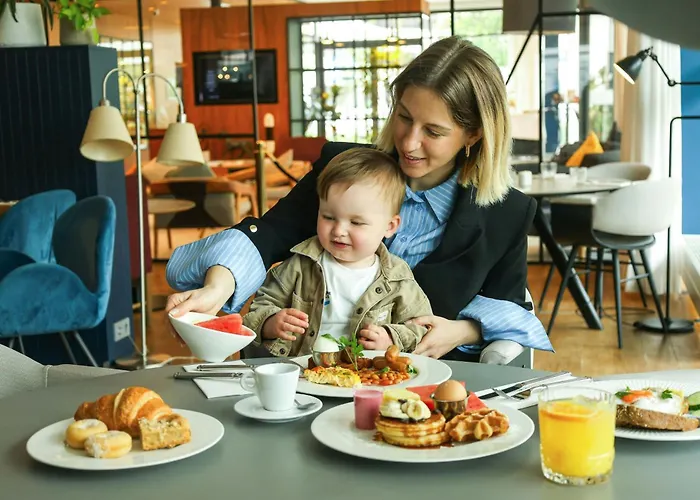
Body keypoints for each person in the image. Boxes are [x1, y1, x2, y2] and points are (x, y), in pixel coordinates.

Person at [166, 36, 553, 362]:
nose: (409, 142)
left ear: (474, 135)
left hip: (422, 390)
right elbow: (266, 234)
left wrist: (463, 330)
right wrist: (217, 289)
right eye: (404, 117)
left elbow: (510, 306)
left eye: (433, 132)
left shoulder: (507, 213)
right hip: (305, 378)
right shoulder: (342, 168)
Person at [242, 147, 432, 358]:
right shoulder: (300, 265)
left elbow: (420, 326)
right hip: (303, 369)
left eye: (356, 222)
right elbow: (260, 307)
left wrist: (391, 338)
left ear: (390, 226)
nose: (339, 231)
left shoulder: (398, 278)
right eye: (329, 217)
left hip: (365, 374)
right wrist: (271, 322)